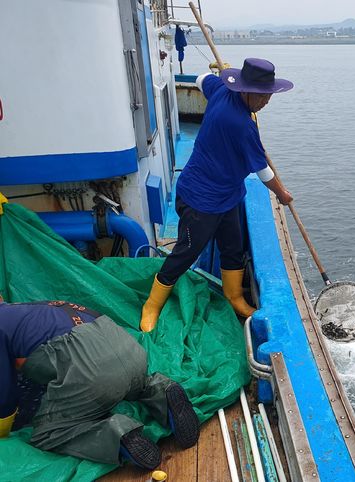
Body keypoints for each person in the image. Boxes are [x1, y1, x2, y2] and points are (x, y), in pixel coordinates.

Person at [141, 58, 294, 332]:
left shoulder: (222, 89)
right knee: (186, 252)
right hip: (200, 197)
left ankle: (234, 296)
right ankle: (152, 304)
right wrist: (283, 194)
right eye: (263, 97)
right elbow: (262, 172)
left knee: (232, 246)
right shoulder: (240, 124)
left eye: (269, 95)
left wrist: (223, 73)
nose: (267, 102)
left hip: (229, 193)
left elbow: (201, 80)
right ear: (246, 91)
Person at [0, 296, 200, 470]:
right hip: (130, 352)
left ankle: (116, 434)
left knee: (47, 433)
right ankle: (161, 390)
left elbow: (4, 393)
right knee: (134, 384)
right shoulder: (29, 309)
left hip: (93, 369)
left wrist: (3, 432)